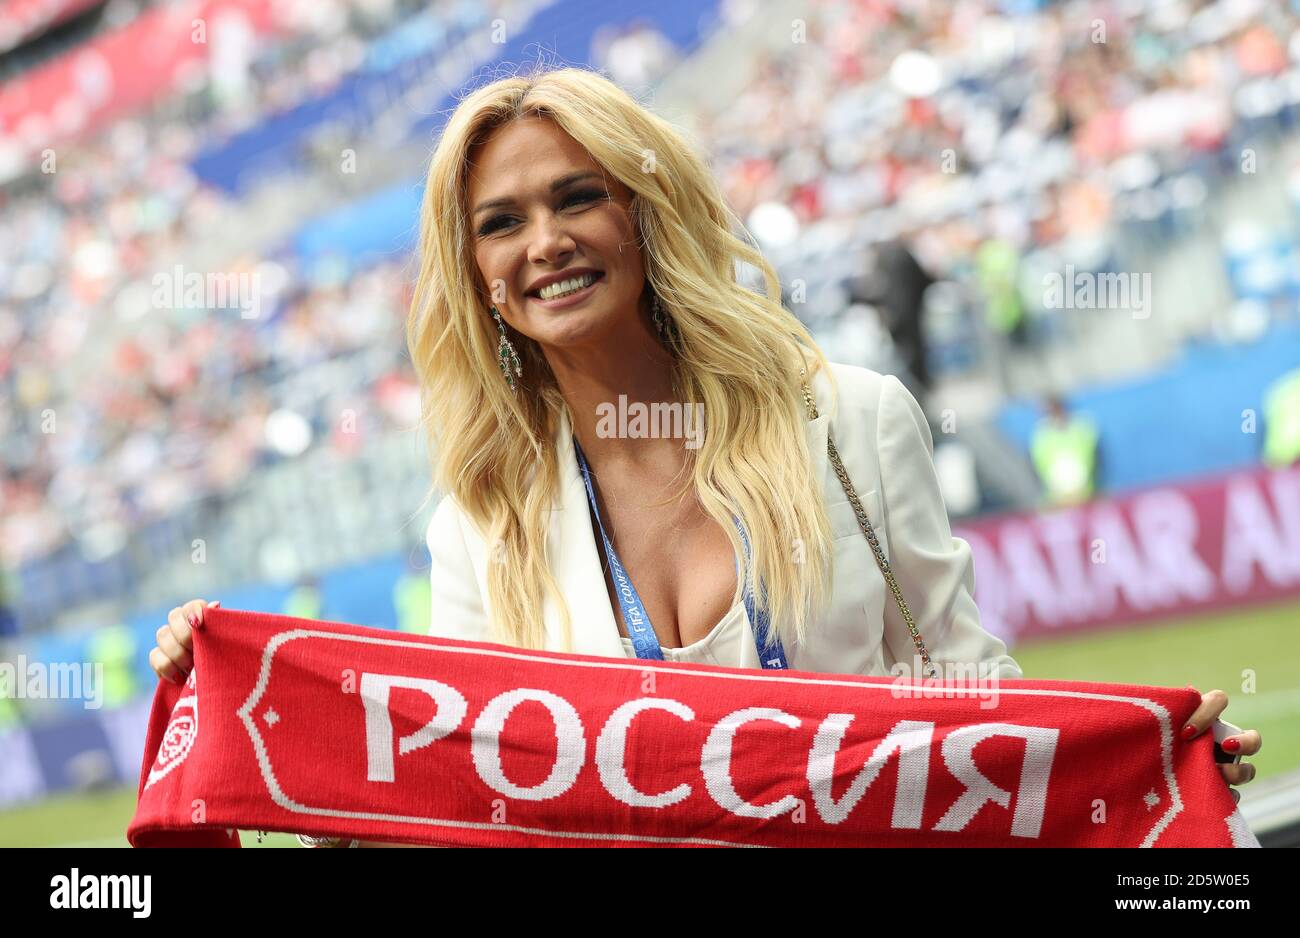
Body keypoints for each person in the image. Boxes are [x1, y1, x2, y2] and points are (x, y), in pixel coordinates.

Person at [146, 65, 1261, 846]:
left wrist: (1141, 762)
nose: (545, 241)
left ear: (643, 215)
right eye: (501, 222)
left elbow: (975, 699)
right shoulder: (478, 524)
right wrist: (261, 733)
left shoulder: (852, 419)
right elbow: (473, 810)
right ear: (477, 271)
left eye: (577, 196)